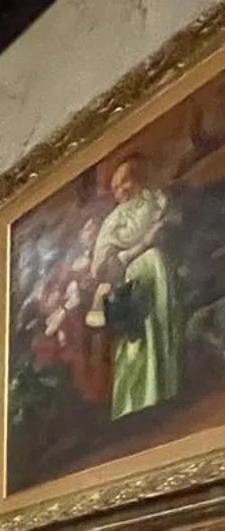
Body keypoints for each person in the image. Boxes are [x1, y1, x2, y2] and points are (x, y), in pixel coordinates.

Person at [88, 153, 181, 421]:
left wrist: (165, 232)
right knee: (138, 340)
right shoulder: (114, 222)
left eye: (125, 182)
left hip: (163, 271)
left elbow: (174, 225)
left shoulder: (158, 201)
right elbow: (101, 269)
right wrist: (143, 245)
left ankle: (166, 392)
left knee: (164, 324)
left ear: (140, 178)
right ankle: (138, 403)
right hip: (132, 281)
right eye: (116, 187)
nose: (121, 191)